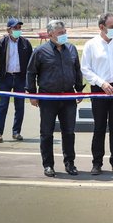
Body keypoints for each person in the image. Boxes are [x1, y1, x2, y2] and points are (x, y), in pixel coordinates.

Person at [26, 20, 84, 177]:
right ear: (50, 34)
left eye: (65, 32)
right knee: (46, 133)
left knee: (69, 132)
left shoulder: (71, 49)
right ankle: (48, 165)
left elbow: (77, 70)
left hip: (68, 97)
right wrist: (32, 94)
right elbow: (31, 73)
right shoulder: (40, 51)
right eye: (60, 33)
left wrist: (79, 89)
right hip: (48, 98)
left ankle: (70, 163)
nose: (64, 35)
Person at [81, 13, 113, 176]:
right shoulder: (91, 45)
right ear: (101, 27)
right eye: (111, 27)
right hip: (100, 89)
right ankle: (97, 163)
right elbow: (85, 69)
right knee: (99, 127)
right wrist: (101, 83)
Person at [0, 17, 33, 142]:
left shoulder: (25, 43)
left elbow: (31, 63)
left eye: (19, 28)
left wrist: (29, 81)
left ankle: (16, 132)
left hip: (20, 78)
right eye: (15, 28)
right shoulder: (1, 43)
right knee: (3, 106)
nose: (18, 30)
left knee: (20, 107)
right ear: (8, 30)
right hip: (5, 78)